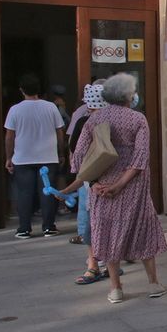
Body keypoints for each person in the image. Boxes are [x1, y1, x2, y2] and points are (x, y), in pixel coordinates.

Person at [70, 73, 167, 304]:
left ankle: (116, 288)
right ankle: (153, 283)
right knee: (143, 230)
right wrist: (120, 184)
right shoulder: (137, 119)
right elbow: (140, 158)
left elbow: (79, 156)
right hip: (133, 186)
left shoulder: (93, 119)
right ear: (128, 95)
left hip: (101, 186)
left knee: (106, 233)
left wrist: (94, 184)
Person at [4, 74, 67, 239]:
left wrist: (8, 157)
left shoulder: (15, 110)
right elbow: (59, 132)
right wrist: (61, 153)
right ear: (39, 90)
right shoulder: (51, 107)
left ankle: (24, 228)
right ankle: (49, 226)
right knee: (47, 192)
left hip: (23, 158)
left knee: (24, 193)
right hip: (48, 156)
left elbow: (9, 136)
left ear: (21, 90)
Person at [70, 82, 108, 284]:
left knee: (94, 222)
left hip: (95, 181)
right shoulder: (92, 122)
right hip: (105, 181)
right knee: (96, 223)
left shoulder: (86, 122)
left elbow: (75, 154)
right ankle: (96, 264)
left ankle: (98, 265)